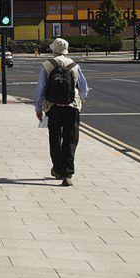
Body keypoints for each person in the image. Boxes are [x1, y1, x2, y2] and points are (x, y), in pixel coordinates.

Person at [35, 38, 88, 186]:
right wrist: (82, 100)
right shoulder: (74, 66)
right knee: (70, 140)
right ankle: (67, 173)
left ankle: (58, 169)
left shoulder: (47, 65)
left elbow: (40, 88)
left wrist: (38, 108)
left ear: (53, 50)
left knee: (55, 138)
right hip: (72, 106)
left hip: (53, 106)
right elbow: (83, 87)